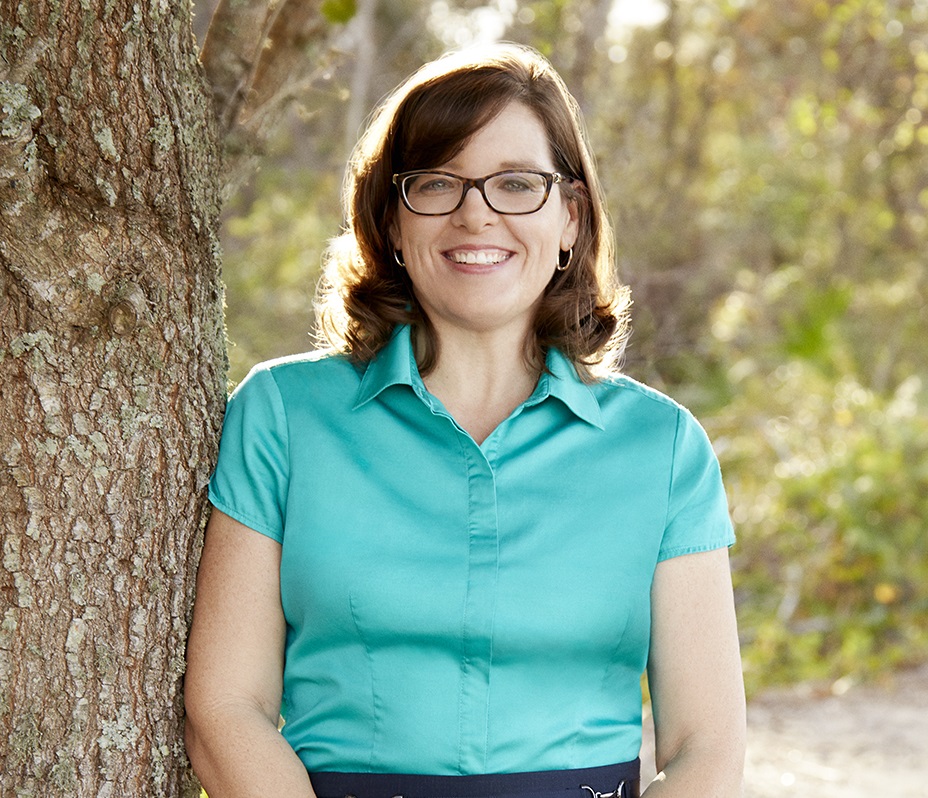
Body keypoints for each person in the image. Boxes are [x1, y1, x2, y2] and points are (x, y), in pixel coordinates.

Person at [184, 43, 746, 798]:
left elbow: (707, 748)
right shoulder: (281, 416)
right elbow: (225, 707)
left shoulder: (663, 448)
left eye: (517, 183)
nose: (475, 212)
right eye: (437, 183)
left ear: (570, 220)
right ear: (389, 219)